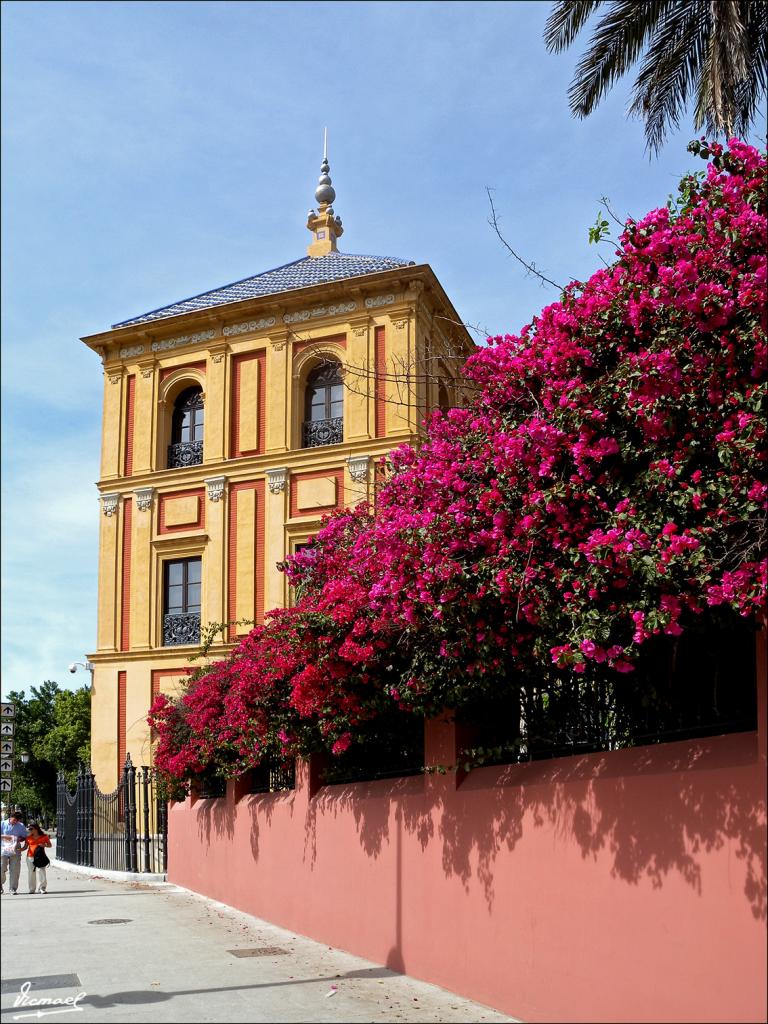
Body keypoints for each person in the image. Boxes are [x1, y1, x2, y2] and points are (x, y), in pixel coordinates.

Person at [1, 810, 28, 894]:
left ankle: (13, 889)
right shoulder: (2, 824)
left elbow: (24, 837)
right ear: (11, 817)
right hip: (3, 849)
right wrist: (7, 838)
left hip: (16, 849)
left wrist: (19, 839)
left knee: (15, 870)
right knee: (1, 868)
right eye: (14, 820)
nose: (15, 822)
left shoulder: (21, 826)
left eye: (17, 821)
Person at [25, 822, 52, 894]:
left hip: (40, 857)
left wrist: (44, 845)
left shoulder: (44, 836)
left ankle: (42, 888)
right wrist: (18, 849)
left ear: (36, 829)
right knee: (31, 873)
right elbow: (25, 847)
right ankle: (32, 889)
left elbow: (50, 845)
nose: (30, 830)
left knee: (41, 872)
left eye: (31, 829)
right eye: (29, 829)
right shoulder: (28, 837)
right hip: (30, 857)